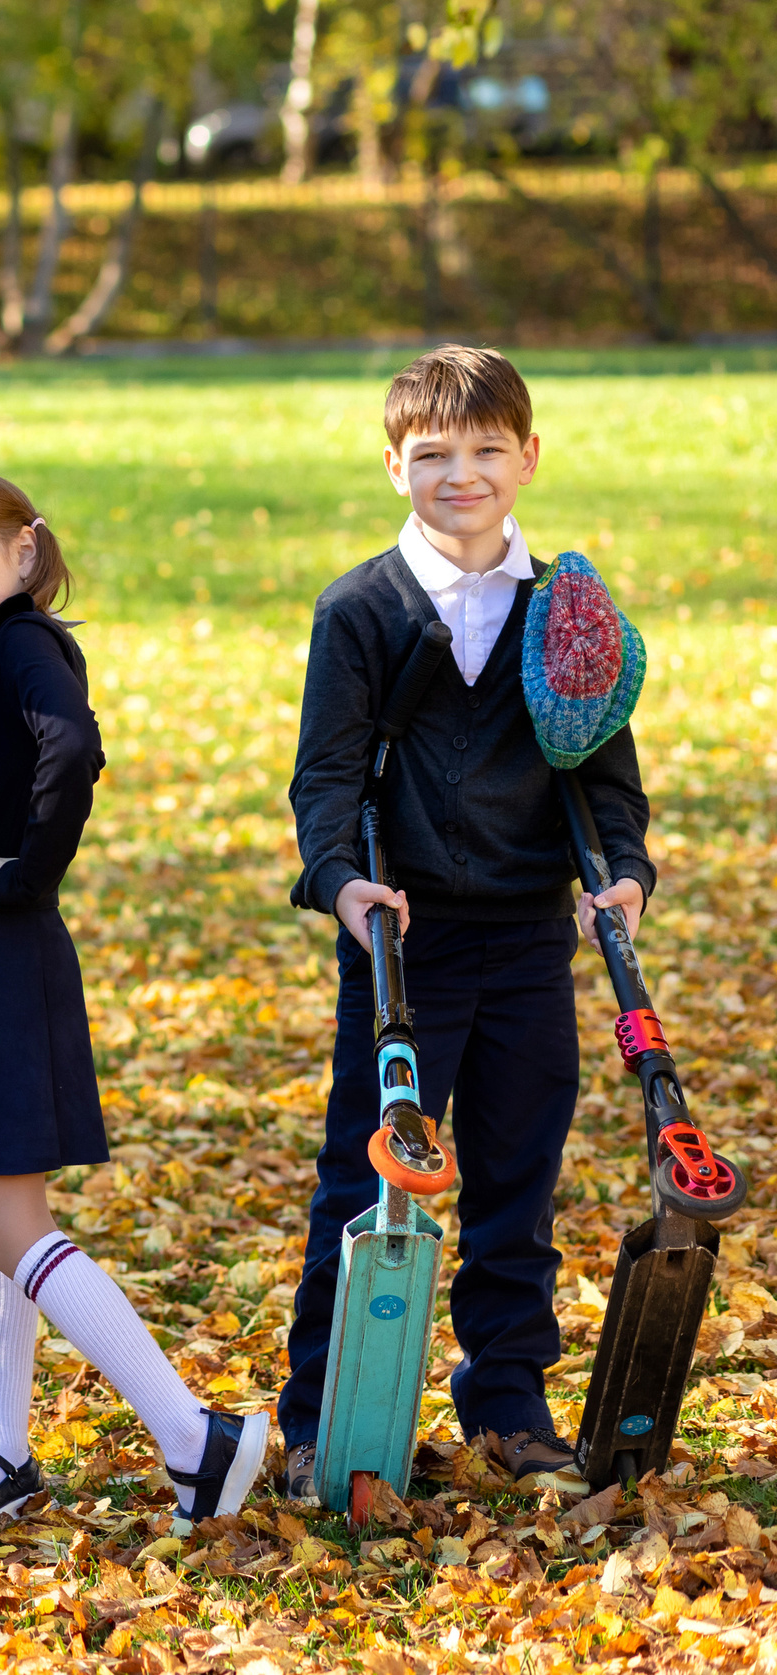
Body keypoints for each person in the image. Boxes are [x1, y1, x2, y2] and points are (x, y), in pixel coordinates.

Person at [0, 471, 270, 1525]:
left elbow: (72, 750)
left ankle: (194, 1436)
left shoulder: (30, 646)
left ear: (23, 552)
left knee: (10, 1218)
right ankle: (4, 1450)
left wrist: (25, 875)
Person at [277, 345, 653, 1496]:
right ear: (395, 465)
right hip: (404, 942)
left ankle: (508, 1403)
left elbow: (608, 777)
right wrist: (340, 882)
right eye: (434, 453)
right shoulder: (360, 610)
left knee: (516, 1178)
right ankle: (323, 1415)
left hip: (531, 939)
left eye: (487, 450)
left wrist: (623, 875)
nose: (462, 474)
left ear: (526, 457)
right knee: (367, 1178)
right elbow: (326, 776)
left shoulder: (566, 611)